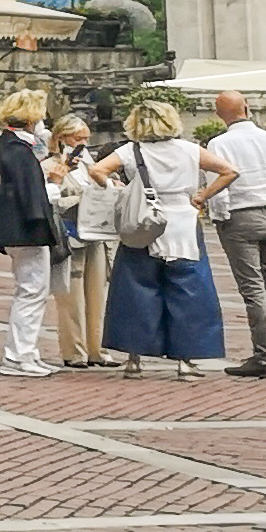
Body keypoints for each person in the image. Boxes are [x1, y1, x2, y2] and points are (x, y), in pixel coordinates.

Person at [87, 95, 233, 377]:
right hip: (183, 222)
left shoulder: (132, 150)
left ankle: (134, 359)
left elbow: (97, 169)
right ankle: (185, 360)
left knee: (136, 290)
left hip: (143, 222)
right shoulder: (190, 150)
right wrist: (203, 195)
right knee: (188, 290)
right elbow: (229, 171)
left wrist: (115, 187)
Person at [204, 90, 266, 380]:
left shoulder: (219, 143)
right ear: (247, 108)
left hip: (240, 216)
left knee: (253, 289)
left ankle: (263, 356)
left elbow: (219, 188)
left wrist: (220, 217)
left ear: (219, 114)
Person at [0, 90, 61, 375]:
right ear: (30, 119)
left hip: (17, 229)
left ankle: (27, 352)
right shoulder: (19, 150)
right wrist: (54, 188)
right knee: (32, 291)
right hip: (26, 230)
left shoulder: (8, 145)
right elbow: (31, 193)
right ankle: (18, 355)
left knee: (31, 291)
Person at [49, 117, 110, 368]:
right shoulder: (50, 164)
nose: (83, 143)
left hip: (94, 231)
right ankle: (74, 350)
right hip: (70, 232)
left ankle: (98, 348)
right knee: (71, 295)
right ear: (62, 138)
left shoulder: (88, 163)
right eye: (77, 139)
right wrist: (78, 198)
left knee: (97, 292)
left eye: (86, 138)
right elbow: (51, 199)